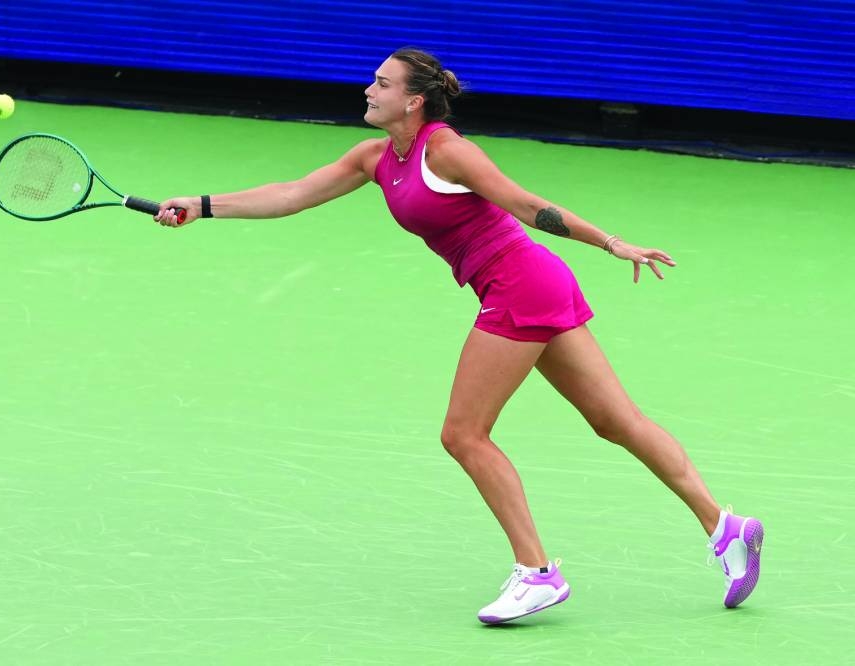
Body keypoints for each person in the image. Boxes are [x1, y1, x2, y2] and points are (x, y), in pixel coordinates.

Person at [154, 48, 764, 624]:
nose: (369, 90)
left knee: (464, 434)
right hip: (533, 286)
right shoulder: (373, 158)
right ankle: (726, 527)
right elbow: (291, 194)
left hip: (520, 286)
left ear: (415, 102)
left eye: (383, 84)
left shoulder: (446, 152)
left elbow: (528, 206)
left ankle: (537, 571)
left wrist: (610, 242)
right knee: (616, 422)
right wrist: (203, 205)